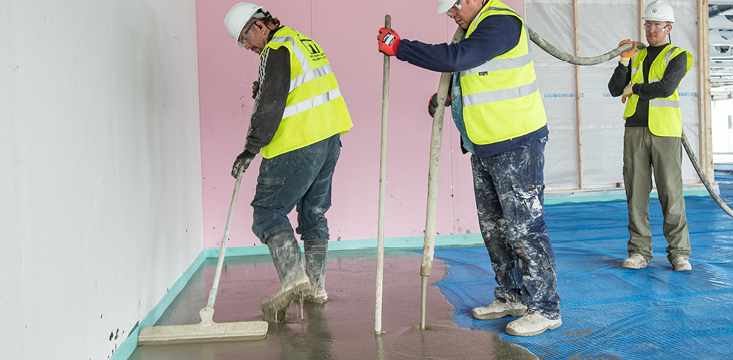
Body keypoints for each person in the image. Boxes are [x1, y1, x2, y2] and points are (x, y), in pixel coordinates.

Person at [376, 0, 561, 337]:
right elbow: (479, 74)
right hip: (484, 145)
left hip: (517, 144)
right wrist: (450, 97)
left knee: (525, 231)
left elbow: (457, 58)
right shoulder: (474, 28)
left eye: (454, 6)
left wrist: (400, 47)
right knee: (494, 230)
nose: (451, 14)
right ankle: (512, 296)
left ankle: (545, 309)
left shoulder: (501, 23)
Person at [223, 2, 353, 321]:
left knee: (267, 212)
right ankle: (316, 288)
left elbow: (271, 104)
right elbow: (295, 87)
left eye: (245, 37)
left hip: (297, 141)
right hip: (328, 138)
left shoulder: (275, 49)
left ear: (259, 25)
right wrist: (267, 86)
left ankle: (295, 278)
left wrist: (250, 150)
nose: (246, 45)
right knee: (313, 213)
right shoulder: (300, 41)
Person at [607, 1, 694, 272]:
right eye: (647, 24)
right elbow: (613, 89)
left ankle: (679, 253)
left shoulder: (679, 55)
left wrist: (635, 89)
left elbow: (666, 88)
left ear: (669, 27)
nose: (651, 30)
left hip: (666, 132)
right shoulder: (637, 55)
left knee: (671, 192)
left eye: (656, 25)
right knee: (636, 193)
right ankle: (639, 252)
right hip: (634, 129)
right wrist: (623, 60)